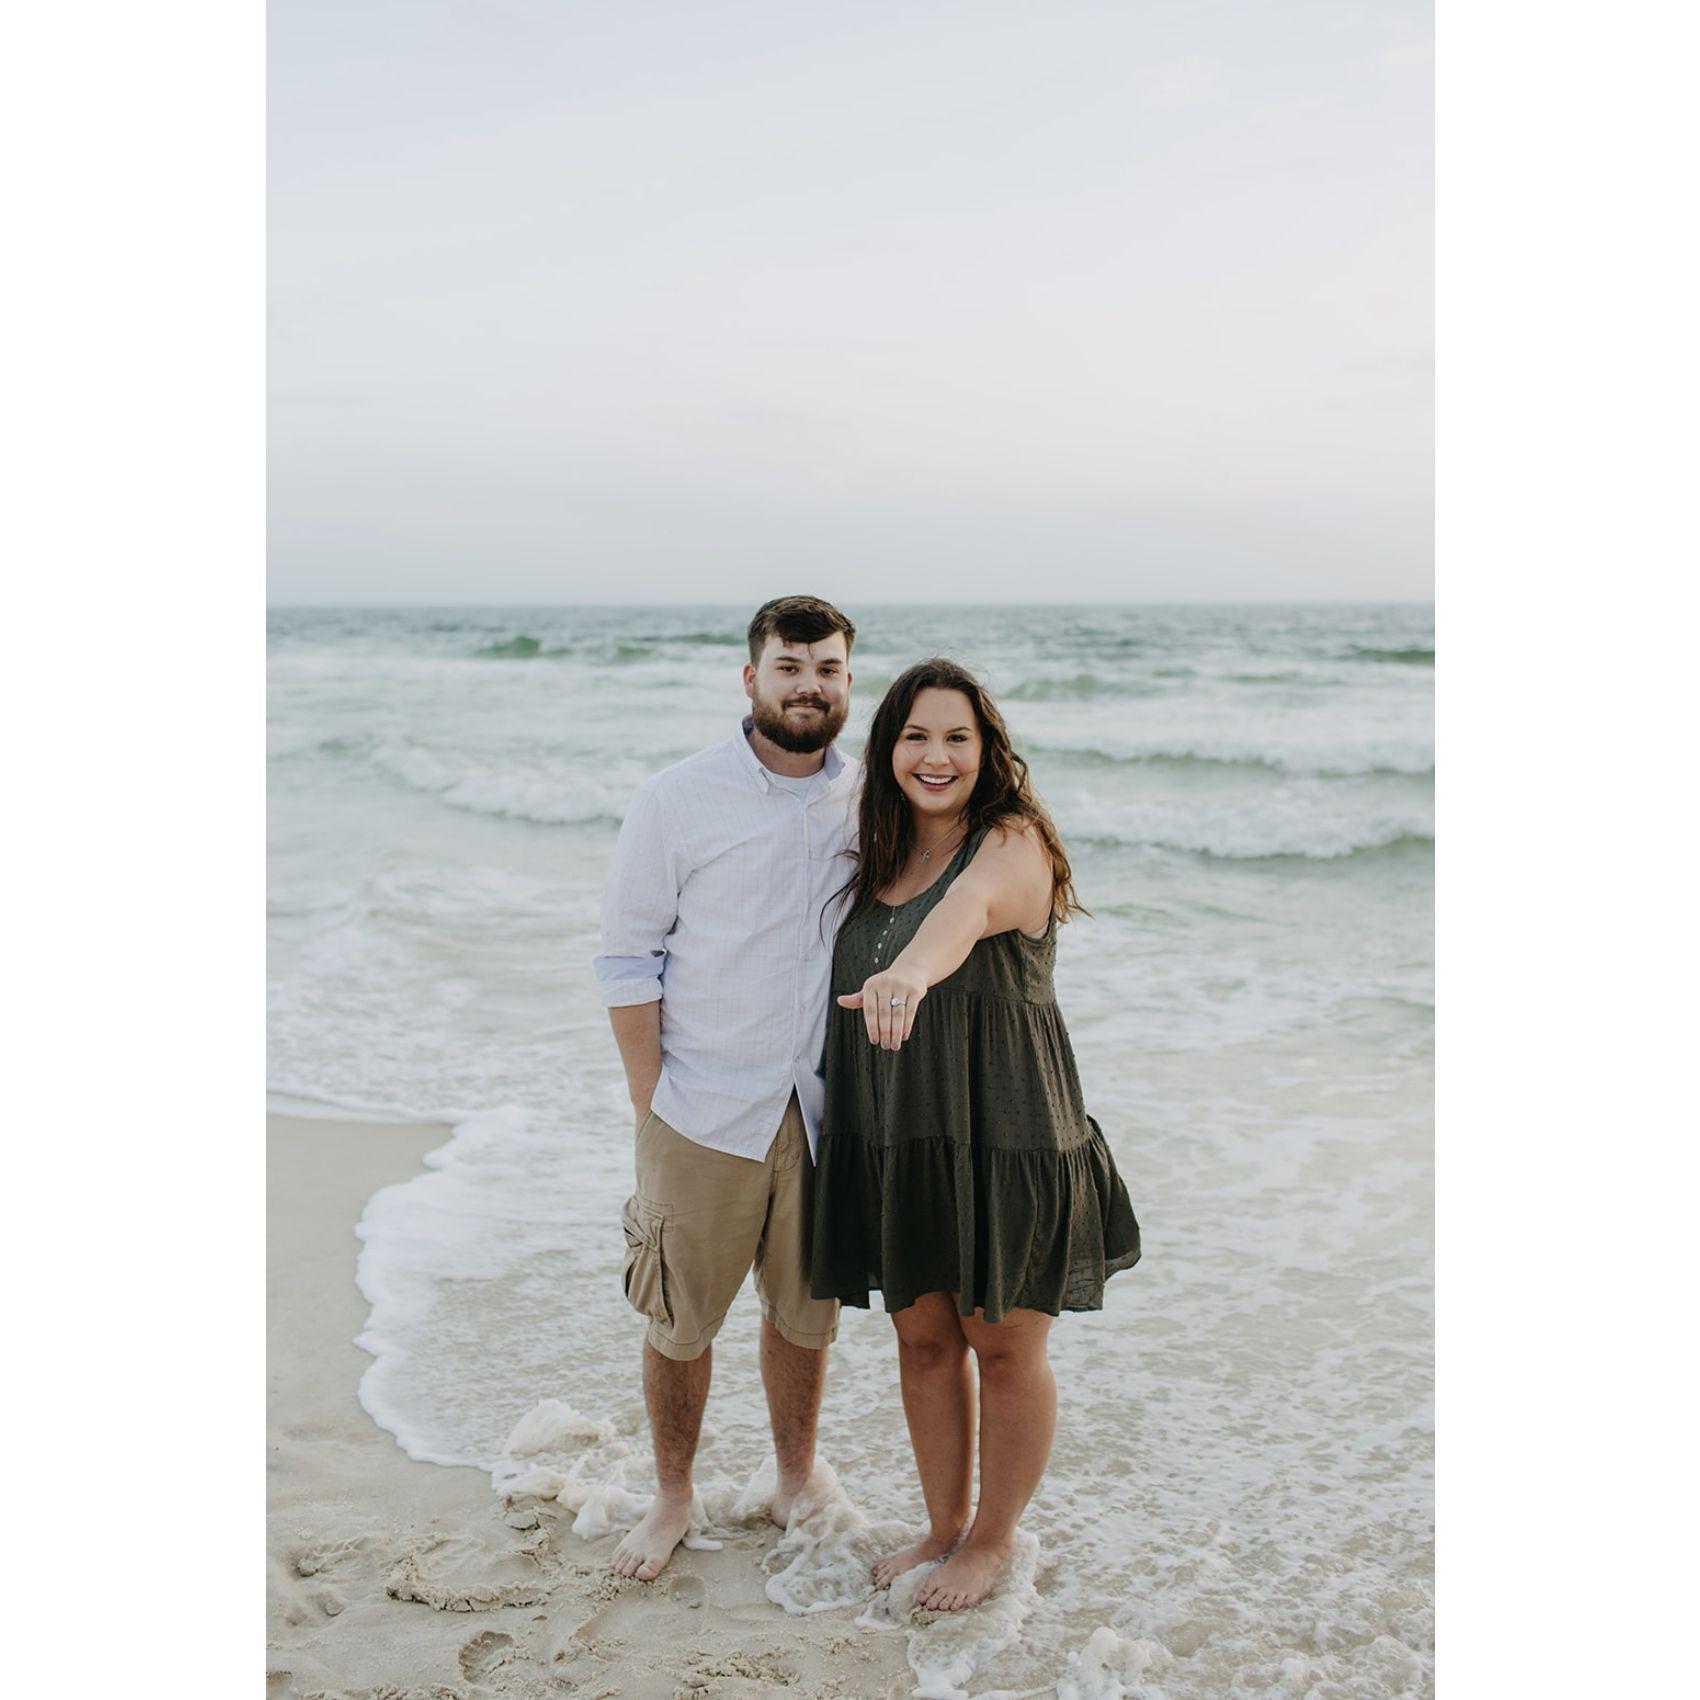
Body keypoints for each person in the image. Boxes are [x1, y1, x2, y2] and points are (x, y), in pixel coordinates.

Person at [810, 656, 1141, 1612]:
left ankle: (993, 1541)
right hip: (901, 1136)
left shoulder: (1013, 839)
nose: (937, 756)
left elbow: (968, 910)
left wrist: (910, 975)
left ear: (988, 749)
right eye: (916, 735)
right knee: (923, 1344)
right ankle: (943, 1526)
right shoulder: (876, 855)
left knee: (1003, 1347)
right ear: (888, 749)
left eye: (958, 737)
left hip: (1008, 1134)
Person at [594, 595, 859, 1582]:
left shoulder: (867, 797)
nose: (808, 686)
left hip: (824, 1111)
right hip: (699, 1107)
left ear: (847, 681)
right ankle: (674, 1494)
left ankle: (794, 1479)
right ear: (751, 677)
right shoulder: (678, 798)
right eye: (790, 667)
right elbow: (627, 957)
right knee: (680, 1319)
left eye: (827, 669)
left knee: (806, 1316)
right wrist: (651, 1103)